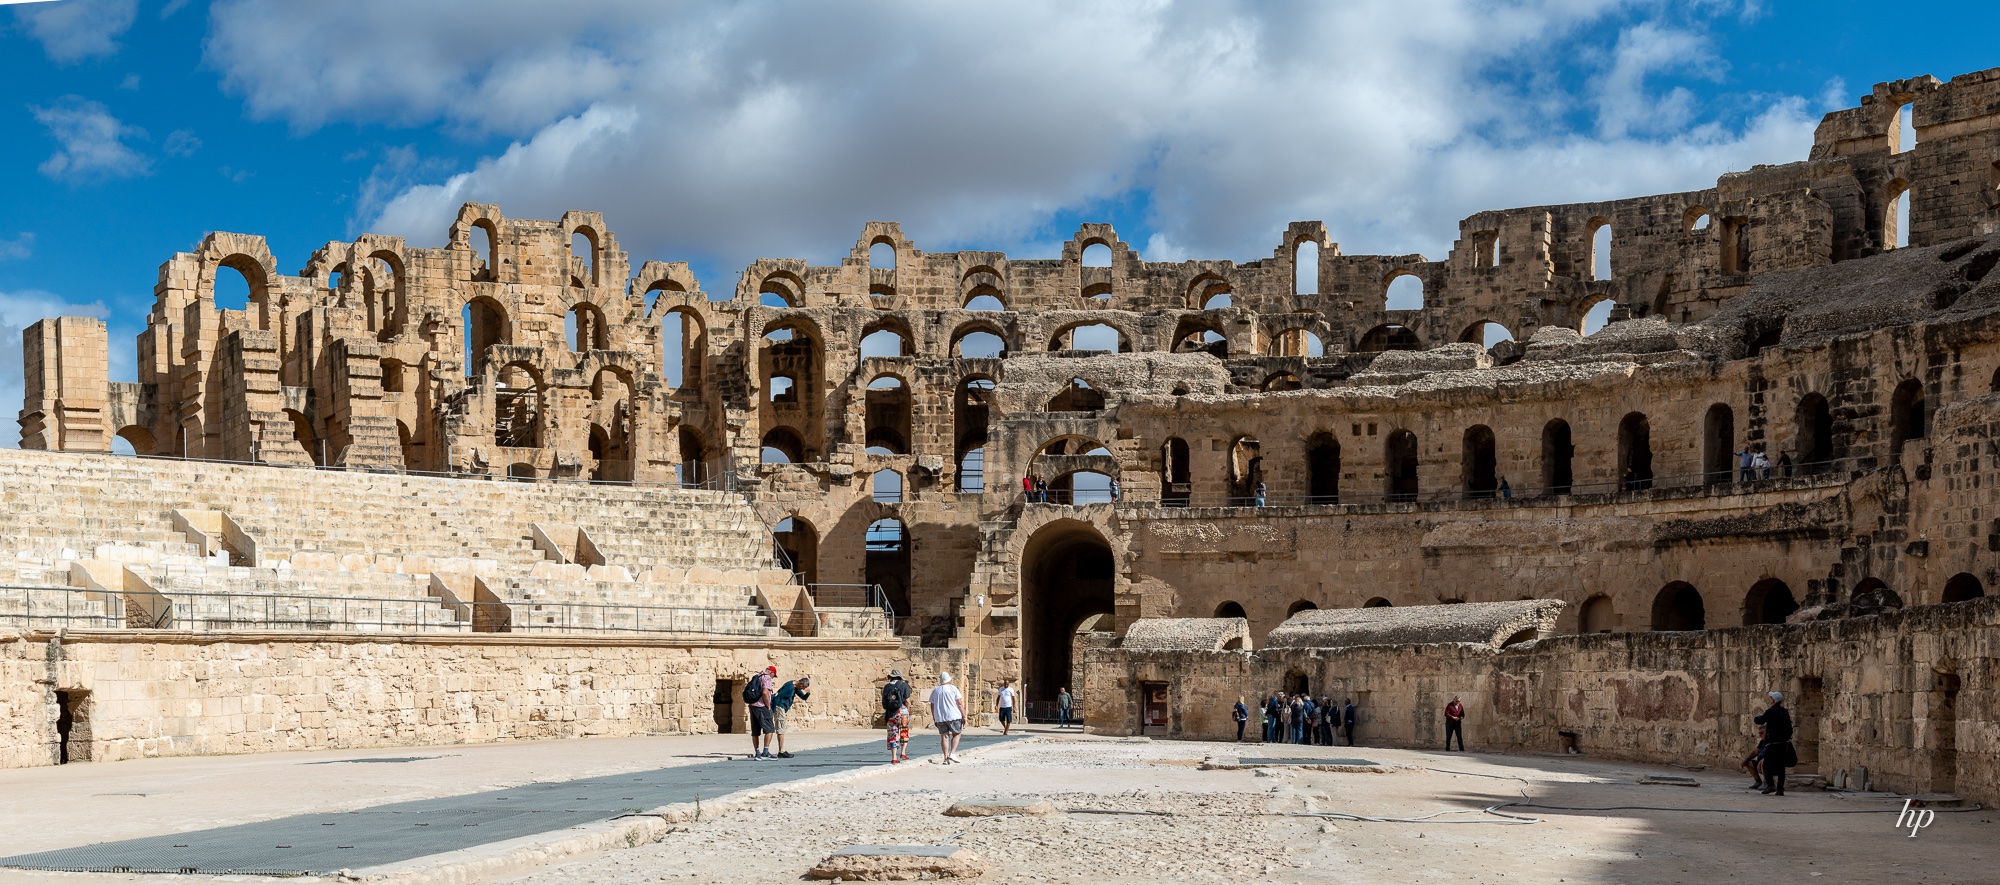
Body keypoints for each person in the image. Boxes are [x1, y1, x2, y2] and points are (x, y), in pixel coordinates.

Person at [1755, 691, 1796, 796]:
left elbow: (1761, 720)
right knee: (1781, 767)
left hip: (1773, 744)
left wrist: (1756, 718)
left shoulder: (1771, 711)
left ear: (1773, 700)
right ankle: (1780, 789)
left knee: (1767, 765)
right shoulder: (1785, 711)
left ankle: (1770, 785)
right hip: (1783, 744)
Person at [771, 675, 811, 759]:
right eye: (803, 687)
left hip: (782, 708)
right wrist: (773, 709)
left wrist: (808, 693)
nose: (803, 689)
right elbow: (778, 696)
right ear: (801, 683)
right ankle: (781, 751)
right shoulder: (789, 687)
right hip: (780, 707)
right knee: (781, 729)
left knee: (781, 728)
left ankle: (781, 750)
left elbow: (803, 697)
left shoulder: (796, 687)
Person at [929, 672, 966, 763]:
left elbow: (932, 704)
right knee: (957, 734)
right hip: (953, 715)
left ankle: (945, 758)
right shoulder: (953, 688)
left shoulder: (935, 690)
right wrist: (964, 715)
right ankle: (952, 753)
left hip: (940, 717)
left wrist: (934, 717)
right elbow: (959, 703)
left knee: (944, 736)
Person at [748, 665, 777, 760]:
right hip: (761, 706)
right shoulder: (767, 678)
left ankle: (757, 753)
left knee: (755, 731)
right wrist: (768, 705)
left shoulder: (758, 676)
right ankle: (765, 752)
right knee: (770, 729)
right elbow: (765, 692)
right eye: (774, 675)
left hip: (753, 705)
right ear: (772, 673)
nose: (773, 677)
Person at [1741, 724, 1769, 790]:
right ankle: (1758, 781)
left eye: (1762, 733)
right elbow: (1756, 751)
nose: (1760, 735)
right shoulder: (1762, 742)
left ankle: (1766, 782)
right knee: (1748, 762)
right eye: (1759, 734)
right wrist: (1746, 760)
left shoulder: (1771, 742)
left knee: (1764, 761)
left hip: (1768, 764)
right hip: (1760, 765)